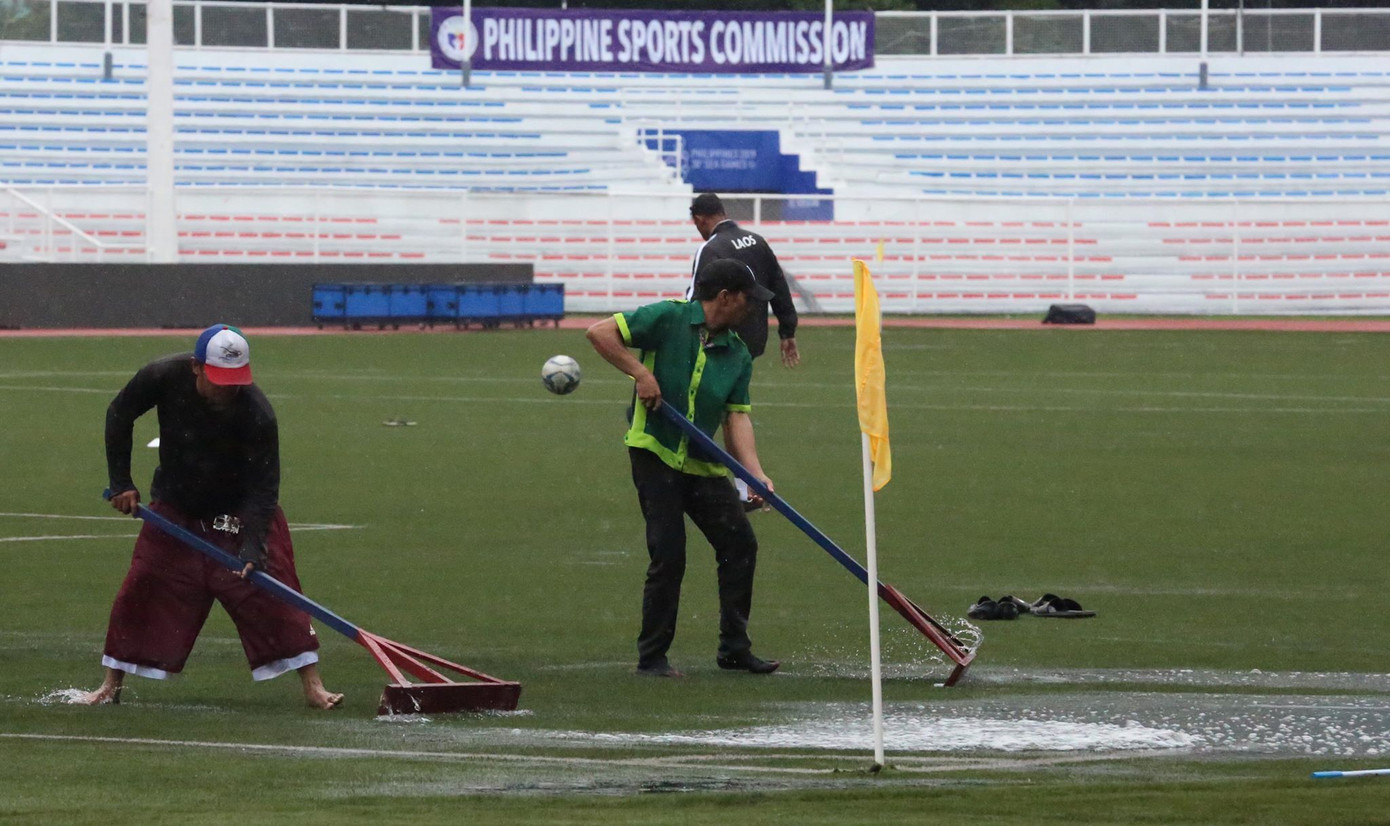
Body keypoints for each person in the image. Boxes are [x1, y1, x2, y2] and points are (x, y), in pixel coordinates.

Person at [81, 324, 342, 709]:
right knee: (143, 586)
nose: (228, 390)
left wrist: (254, 546)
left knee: (275, 591)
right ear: (196, 367)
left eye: (236, 381)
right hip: (176, 504)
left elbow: (264, 488)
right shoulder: (162, 376)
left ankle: (313, 686)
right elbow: (119, 414)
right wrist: (121, 481)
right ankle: (110, 687)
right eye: (219, 380)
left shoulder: (257, 414)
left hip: (238, 509)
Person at [587, 259, 782, 679]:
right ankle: (652, 658)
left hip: (701, 462)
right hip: (654, 451)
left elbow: (736, 418)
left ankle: (734, 648)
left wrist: (754, 474)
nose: (754, 309)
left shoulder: (738, 353)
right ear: (725, 297)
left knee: (739, 545)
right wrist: (641, 373)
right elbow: (599, 333)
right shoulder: (669, 317)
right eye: (749, 300)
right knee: (669, 553)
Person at [685, 192, 800, 369]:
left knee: (717, 393)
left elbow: (694, 299)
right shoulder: (757, 240)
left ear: (700, 220)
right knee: (738, 391)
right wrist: (787, 331)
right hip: (755, 338)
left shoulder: (711, 248)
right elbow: (779, 286)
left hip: (725, 340)